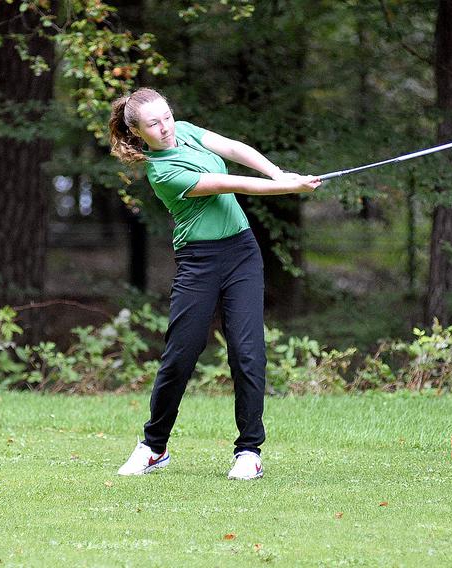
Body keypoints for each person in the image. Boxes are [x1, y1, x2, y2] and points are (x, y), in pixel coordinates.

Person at [108, 87, 320, 480]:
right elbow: (231, 185)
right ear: (139, 133)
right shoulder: (163, 172)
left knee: (248, 353)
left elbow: (235, 149)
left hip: (242, 253)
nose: (166, 127)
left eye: (167, 116)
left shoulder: (185, 131)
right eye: (154, 123)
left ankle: (249, 452)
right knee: (180, 356)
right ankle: (154, 446)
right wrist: (288, 188)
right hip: (199, 262)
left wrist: (278, 172)